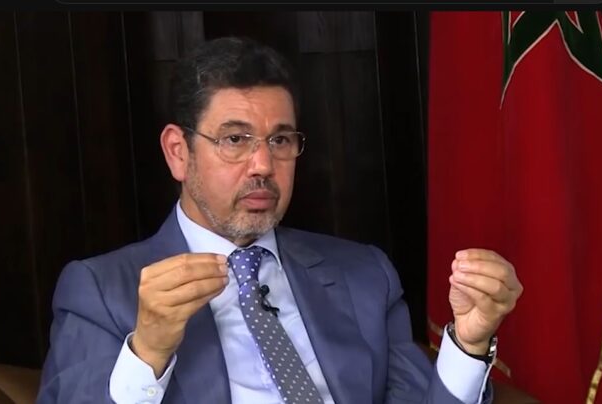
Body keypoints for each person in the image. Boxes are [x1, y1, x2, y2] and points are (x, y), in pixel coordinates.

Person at [37, 36, 523, 404]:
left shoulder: (364, 275)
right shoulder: (101, 290)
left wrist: (469, 343)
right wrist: (147, 354)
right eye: (235, 140)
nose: (263, 165)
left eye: (280, 140)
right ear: (178, 152)